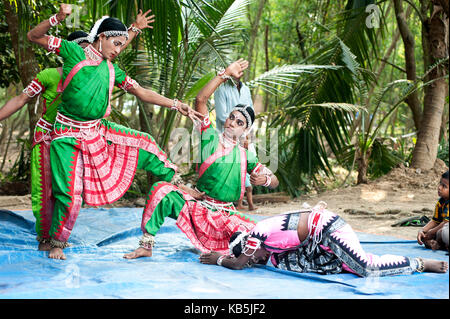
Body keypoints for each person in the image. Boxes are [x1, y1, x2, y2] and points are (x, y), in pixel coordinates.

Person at [26, 4, 203, 260]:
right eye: (116, 44)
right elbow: (34, 37)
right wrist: (59, 17)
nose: (119, 49)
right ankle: (56, 242)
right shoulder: (74, 52)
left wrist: (177, 104)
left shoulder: (112, 69)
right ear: (102, 38)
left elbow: (141, 92)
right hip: (66, 135)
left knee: (144, 142)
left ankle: (178, 183)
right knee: (70, 195)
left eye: (122, 44)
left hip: (97, 131)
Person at [0, 11, 153, 253]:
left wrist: (134, 29)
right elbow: (19, 100)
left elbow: (112, 51)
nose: (86, 54)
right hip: (47, 138)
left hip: (75, 136)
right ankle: (45, 238)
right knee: (44, 190)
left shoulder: (99, 67)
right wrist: (59, 17)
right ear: (70, 52)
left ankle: (57, 236)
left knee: (69, 192)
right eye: (81, 49)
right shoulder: (49, 76)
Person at [123, 59, 279, 259]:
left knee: (261, 240)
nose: (232, 122)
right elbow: (201, 100)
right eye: (231, 117)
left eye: (239, 122)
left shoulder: (246, 155)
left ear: (245, 130)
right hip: (199, 207)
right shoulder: (210, 136)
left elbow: (274, 182)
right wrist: (226, 74)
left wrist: (265, 180)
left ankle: (225, 254)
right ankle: (146, 246)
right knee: (161, 191)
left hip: (226, 217)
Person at [200, 201, 449, 276]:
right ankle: (340, 262)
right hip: (316, 241)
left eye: (252, 257)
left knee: (366, 268)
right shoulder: (265, 247)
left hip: (329, 231)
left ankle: (418, 263)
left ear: (249, 247)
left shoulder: (257, 234)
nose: (255, 261)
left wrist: (218, 259)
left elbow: (238, 263)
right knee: (286, 262)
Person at [214, 65, 257, 211]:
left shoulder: (246, 90)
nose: (237, 73)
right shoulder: (221, 89)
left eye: (240, 70)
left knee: (245, 168)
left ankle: (245, 203)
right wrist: (236, 126)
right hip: (225, 138)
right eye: (235, 69)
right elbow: (221, 115)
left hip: (244, 136)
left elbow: (250, 114)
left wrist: (245, 135)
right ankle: (228, 204)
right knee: (229, 170)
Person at [417, 170, 449, 251]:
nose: (439, 187)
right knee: (424, 236)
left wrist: (432, 232)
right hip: (442, 229)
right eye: (440, 184)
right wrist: (423, 230)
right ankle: (435, 243)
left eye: (444, 186)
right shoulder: (441, 202)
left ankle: (439, 243)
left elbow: (446, 222)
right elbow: (435, 221)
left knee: (441, 232)